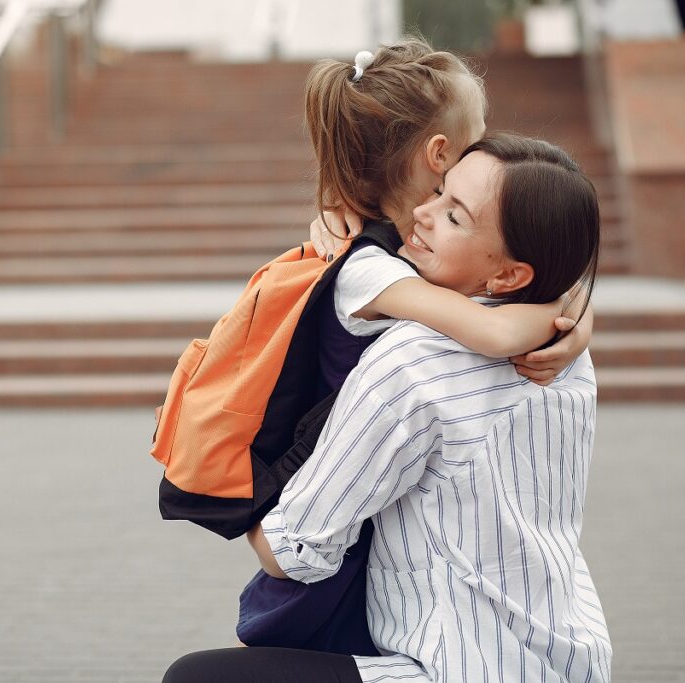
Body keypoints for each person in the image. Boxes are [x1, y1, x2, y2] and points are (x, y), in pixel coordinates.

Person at [165, 134, 611, 682]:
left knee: (198, 679)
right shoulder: (564, 350)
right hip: (570, 658)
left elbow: (294, 551)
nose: (421, 212)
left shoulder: (411, 361)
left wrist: (234, 497)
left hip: (454, 669)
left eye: (454, 216)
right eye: (440, 190)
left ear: (509, 276)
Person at [233, 40, 594, 656]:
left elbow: (513, 284)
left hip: (371, 499)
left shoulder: (409, 254)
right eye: (479, 134)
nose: (489, 142)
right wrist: (568, 320)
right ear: (440, 154)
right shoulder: (369, 266)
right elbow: (496, 330)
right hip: (333, 499)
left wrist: (573, 311)